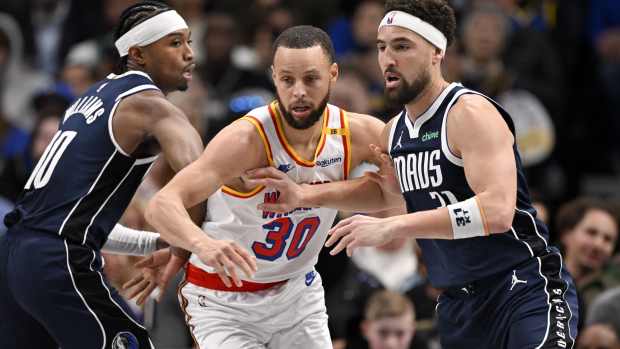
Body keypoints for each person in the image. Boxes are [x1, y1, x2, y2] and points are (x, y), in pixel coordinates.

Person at [247, 1, 579, 348]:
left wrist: (392, 225)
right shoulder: (394, 133)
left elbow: (496, 212)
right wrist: (306, 194)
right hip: (459, 304)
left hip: (522, 289)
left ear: (437, 52)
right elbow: (388, 196)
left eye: (402, 46)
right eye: (381, 47)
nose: (388, 58)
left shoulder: (469, 113)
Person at [0, 2, 250, 348]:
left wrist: (154, 242)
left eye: (189, 41)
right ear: (138, 54)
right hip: (56, 260)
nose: (191, 54)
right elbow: (199, 179)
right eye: (175, 43)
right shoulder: (152, 107)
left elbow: (70, 219)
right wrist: (186, 246)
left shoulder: (88, 99)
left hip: (15, 255)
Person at [139, 25, 387, 348]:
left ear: (333, 74)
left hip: (296, 291)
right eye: (287, 80)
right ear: (273, 77)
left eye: (311, 79)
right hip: (224, 300)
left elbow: (392, 194)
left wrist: (307, 194)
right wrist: (203, 245)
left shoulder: (358, 133)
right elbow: (161, 205)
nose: (298, 91)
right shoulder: (246, 140)